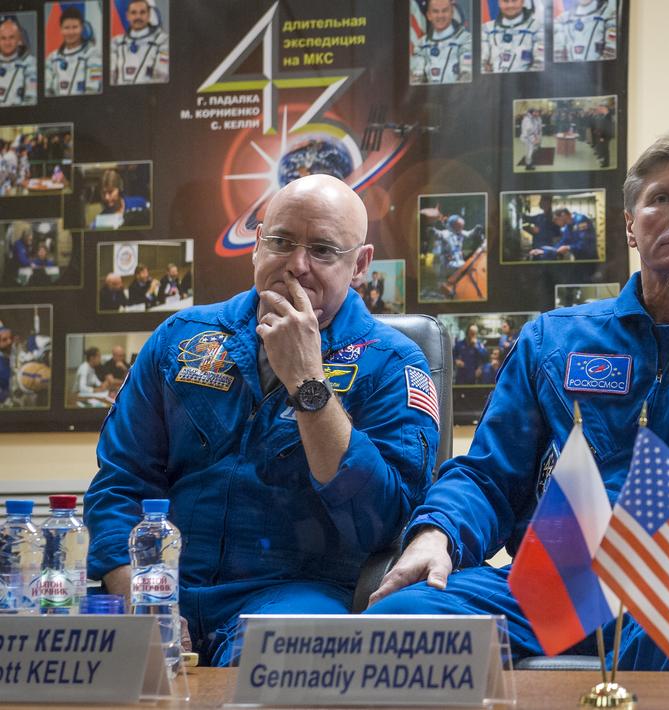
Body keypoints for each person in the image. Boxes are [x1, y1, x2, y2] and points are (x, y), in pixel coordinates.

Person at [365, 127, 669, 671]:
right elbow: (488, 475)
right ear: (629, 225)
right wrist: (438, 534)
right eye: (662, 198)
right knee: (401, 622)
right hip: (558, 581)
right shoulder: (554, 340)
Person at [84, 174, 441, 667]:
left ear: (358, 265)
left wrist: (308, 383)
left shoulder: (393, 363)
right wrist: (138, 596)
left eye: (322, 250)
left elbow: (382, 522)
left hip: (292, 595)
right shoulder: (180, 338)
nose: (297, 265)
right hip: (161, 585)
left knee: (297, 667)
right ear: (256, 245)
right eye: (282, 242)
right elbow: (120, 482)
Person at [45, 6, 102, 97]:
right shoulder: (52, 58)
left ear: (82, 28)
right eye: (66, 28)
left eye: (75, 27)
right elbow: (46, 91)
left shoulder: (92, 54)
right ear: (61, 29)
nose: (71, 32)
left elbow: (93, 91)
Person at [410, 0, 471, 85]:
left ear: (452, 13)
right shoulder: (422, 44)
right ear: (429, 15)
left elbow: (467, 75)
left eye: (445, 10)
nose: (440, 15)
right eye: (435, 11)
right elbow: (417, 78)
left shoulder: (466, 40)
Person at [110, 0, 168, 85]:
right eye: (133, 13)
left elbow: (161, 77)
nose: (138, 17)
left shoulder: (162, 41)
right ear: (127, 16)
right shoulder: (116, 43)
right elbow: (110, 77)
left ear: (149, 15)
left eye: (142, 12)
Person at [481, 0, 543, 74]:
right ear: (499, 3)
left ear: (522, 2)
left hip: (526, 83)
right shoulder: (487, 29)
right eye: (505, 1)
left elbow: (541, 63)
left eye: (514, 1)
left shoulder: (537, 28)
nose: (510, 5)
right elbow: (480, 64)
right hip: (494, 83)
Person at [553, 0, 617, 62]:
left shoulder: (608, 15)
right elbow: (557, 56)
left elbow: (611, 54)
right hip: (569, 71)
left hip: (597, 70)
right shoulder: (562, 19)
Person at [0, 16, 38, 106]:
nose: (7, 43)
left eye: (11, 37)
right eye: (3, 38)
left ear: (19, 39)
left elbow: (31, 101)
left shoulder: (31, 64)